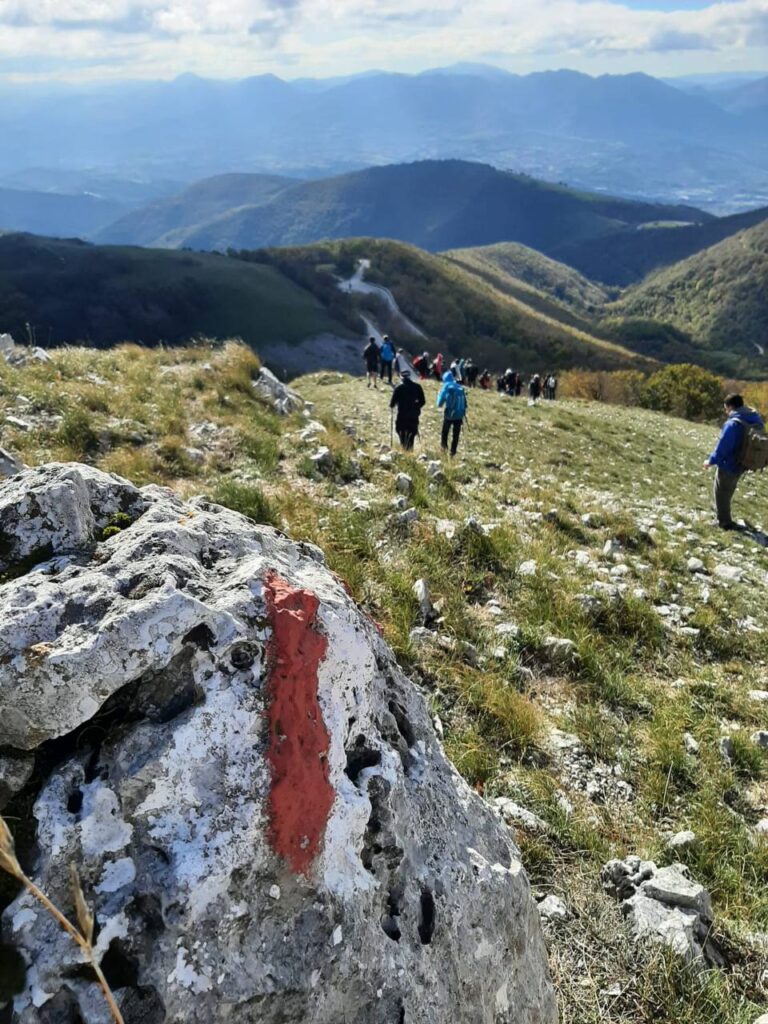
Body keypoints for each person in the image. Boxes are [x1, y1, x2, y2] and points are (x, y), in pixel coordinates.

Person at [704, 394, 764, 530]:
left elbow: (723, 447)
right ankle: (722, 514)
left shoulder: (733, 423)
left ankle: (724, 522)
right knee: (728, 489)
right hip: (744, 462)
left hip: (729, 464)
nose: (726, 412)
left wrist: (711, 461)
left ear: (730, 407)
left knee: (721, 492)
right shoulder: (755, 418)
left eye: (726, 408)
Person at [390, 369, 426, 451]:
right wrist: (417, 407)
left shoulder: (399, 388)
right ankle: (410, 451)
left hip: (402, 416)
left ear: (401, 377)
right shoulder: (417, 387)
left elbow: (392, 404)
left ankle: (404, 451)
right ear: (410, 377)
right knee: (411, 436)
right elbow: (423, 401)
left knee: (402, 434)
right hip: (413, 416)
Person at [436, 370, 467, 457]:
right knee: (456, 434)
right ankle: (453, 452)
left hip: (449, 414)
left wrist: (439, 395)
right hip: (459, 415)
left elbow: (439, 404)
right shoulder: (460, 387)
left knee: (445, 432)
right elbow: (465, 403)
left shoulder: (446, 387)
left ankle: (444, 448)